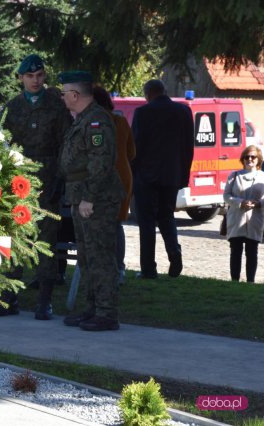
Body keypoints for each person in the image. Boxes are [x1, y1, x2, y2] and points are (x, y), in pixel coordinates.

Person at [0, 53, 73, 320]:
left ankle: (44, 301)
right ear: (21, 78)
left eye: (39, 76)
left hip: (49, 182)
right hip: (19, 183)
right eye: (29, 76)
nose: (35, 81)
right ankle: (9, 296)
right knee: (14, 239)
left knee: (46, 242)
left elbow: (66, 145)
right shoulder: (12, 107)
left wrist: (59, 180)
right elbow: (4, 145)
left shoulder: (57, 105)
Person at [58, 71, 124, 332]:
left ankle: (107, 313)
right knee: (86, 256)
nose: (62, 97)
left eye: (64, 93)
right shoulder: (82, 119)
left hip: (96, 198)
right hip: (80, 195)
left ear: (75, 95)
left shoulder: (97, 121)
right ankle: (93, 308)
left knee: (101, 256)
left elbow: (101, 163)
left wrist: (88, 198)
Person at [131, 79, 194, 279]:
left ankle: (149, 269)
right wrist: (183, 176)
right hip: (172, 175)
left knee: (146, 222)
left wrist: (132, 176)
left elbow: (136, 148)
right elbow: (188, 148)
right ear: (164, 90)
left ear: (147, 94)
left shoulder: (143, 113)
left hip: (146, 176)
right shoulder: (183, 112)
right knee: (167, 217)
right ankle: (175, 255)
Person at [92, 86, 136, 284]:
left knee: (108, 224)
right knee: (117, 224)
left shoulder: (94, 123)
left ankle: (110, 267)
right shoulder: (121, 121)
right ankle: (119, 268)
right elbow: (132, 152)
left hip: (107, 176)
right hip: (123, 174)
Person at [223, 145, 264, 282]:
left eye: (253, 157)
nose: (250, 159)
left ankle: (250, 282)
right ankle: (235, 281)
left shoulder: (262, 177)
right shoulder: (234, 176)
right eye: (247, 157)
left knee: (252, 252)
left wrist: (258, 204)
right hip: (236, 219)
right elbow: (226, 196)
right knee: (235, 252)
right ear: (243, 159)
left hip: (255, 220)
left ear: (258, 160)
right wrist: (240, 202)